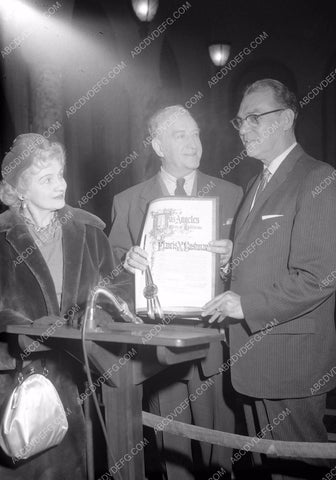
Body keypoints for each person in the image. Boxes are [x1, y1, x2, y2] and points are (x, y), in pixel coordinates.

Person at [202, 79, 336, 479]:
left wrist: (245, 305)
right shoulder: (255, 183)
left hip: (290, 365)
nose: (243, 128)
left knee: (298, 471)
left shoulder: (317, 177)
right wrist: (233, 257)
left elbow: (319, 277)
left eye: (254, 117)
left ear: (285, 118)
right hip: (253, 360)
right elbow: (271, 258)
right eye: (239, 120)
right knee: (266, 471)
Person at [109, 105, 243, 479]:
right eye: (180, 135)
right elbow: (109, 275)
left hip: (215, 338)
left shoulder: (233, 194)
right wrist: (126, 264)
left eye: (196, 133)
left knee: (220, 448)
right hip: (159, 342)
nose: (193, 143)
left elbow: (254, 270)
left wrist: (232, 260)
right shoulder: (128, 200)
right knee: (173, 452)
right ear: (157, 145)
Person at [0, 133, 133, 479]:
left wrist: (98, 315)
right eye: (47, 178)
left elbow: (118, 286)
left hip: (78, 376)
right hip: (16, 380)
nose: (60, 184)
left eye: (60, 174)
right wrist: (25, 328)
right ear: (21, 189)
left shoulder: (89, 231)